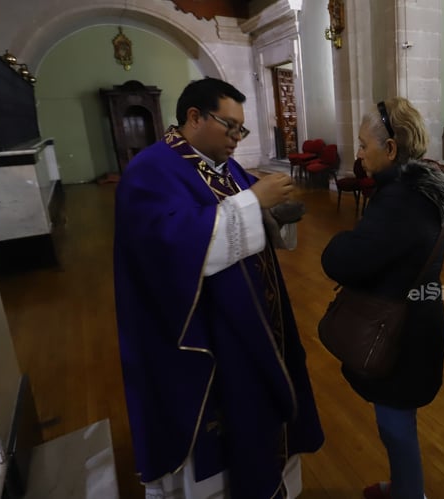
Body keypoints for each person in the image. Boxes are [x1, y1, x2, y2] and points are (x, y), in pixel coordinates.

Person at [114, 77, 324, 498]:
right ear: (194, 117)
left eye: (241, 129)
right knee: (220, 427)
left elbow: (244, 216)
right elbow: (168, 245)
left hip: (249, 324)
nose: (236, 138)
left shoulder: (224, 165)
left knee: (257, 412)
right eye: (230, 126)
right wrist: (254, 202)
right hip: (200, 333)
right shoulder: (150, 170)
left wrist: (275, 212)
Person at [321, 97, 444, 499]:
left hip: (400, 329)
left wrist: (337, 242)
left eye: (362, 144)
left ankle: (410, 494)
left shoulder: (400, 201)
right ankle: (406, 486)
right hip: (416, 314)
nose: (357, 153)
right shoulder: (419, 187)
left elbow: (344, 261)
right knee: (397, 421)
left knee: (395, 424)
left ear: (390, 149)